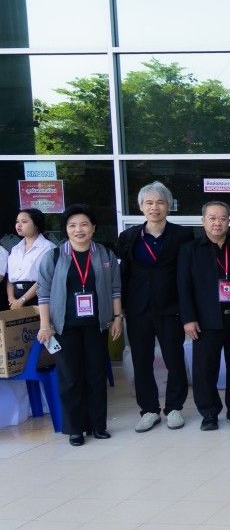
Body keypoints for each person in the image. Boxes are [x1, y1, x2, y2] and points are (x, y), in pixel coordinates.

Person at [36, 205, 123, 446]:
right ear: (66, 229)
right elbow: (43, 294)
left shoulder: (105, 254)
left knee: (96, 375)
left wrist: (117, 318)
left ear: (93, 227)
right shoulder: (54, 256)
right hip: (64, 327)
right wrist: (45, 325)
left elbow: (115, 288)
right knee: (70, 377)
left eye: (84, 224)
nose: (79, 230)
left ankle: (98, 425)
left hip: (97, 324)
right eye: (72, 225)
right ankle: (75, 428)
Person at [117, 181, 194, 432]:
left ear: (168, 206)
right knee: (142, 361)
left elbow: (186, 275)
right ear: (141, 207)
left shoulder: (182, 236)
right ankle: (149, 410)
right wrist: (120, 309)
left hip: (170, 307)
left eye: (160, 202)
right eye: (149, 202)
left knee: (174, 359)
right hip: (137, 308)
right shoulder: (129, 237)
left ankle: (174, 408)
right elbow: (123, 274)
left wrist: (187, 309)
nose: (154, 207)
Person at [177, 201, 230, 430]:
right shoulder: (190, 250)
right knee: (204, 369)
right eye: (212, 218)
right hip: (205, 319)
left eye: (222, 218)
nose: (217, 223)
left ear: (229, 221)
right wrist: (188, 319)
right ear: (203, 221)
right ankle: (209, 413)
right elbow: (183, 287)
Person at [6, 208, 54, 310]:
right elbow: (10, 277)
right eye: (17, 222)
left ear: (36, 225)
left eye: (24, 222)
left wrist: (22, 300)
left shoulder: (48, 248)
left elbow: (44, 279)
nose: (19, 225)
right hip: (15, 300)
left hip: (38, 297)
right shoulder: (15, 249)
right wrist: (11, 299)